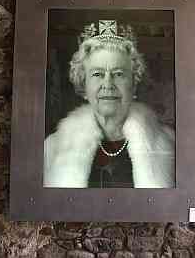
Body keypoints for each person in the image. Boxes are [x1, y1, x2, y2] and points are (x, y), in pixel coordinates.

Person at [43, 20, 175, 188]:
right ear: (83, 84)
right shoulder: (52, 149)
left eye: (118, 74)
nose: (108, 84)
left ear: (134, 83)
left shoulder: (169, 145)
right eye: (97, 74)